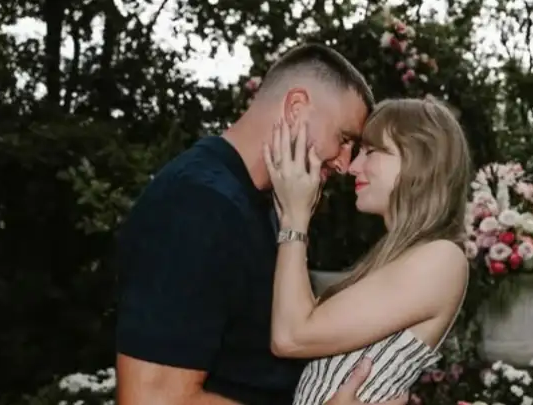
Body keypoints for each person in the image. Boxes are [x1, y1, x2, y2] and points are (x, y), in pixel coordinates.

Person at [113, 43, 405, 405]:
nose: (345, 164)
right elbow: (150, 399)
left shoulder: (262, 204)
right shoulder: (198, 203)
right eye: (345, 140)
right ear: (296, 108)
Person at [264, 98, 472, 404]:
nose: (352, 167)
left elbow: (290, 337)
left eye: (371, 152)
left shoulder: (441, 258)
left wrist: (295, 219)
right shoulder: (400, 257)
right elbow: (302, 322)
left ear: (420, 159)